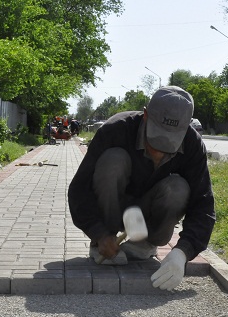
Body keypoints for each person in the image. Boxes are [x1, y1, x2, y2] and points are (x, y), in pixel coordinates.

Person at [68, 86, 215, 291]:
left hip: (150, 216)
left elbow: (204, 204)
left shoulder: (193, 145)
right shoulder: (115, 130)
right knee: (113, 160)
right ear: (145, 115)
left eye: (169, 144)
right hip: (113, 207)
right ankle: (106, 242)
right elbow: (78, 190)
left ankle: (143, 245)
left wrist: (183, 252)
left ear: (186, 128)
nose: (159, 153)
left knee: (178, 187)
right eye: (155, 141)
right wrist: (98, 232)